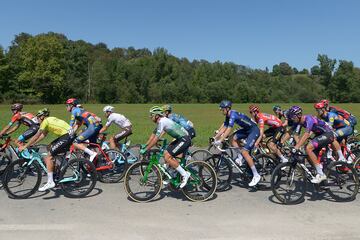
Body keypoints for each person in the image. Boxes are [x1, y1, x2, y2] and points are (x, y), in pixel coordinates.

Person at [19, 108, 73, 191]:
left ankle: (50, 182)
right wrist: (33, 143)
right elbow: (43, 135)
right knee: (49, 147)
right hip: (67, 134)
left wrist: (25, 146)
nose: (37, 120)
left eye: (38, 118)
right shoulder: (49, 120)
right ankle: (61, 166)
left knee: (48, 157)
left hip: (66, 136)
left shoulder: (45, 122)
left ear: (42, 117)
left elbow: (37, 135)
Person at [288, 106, 346, 184]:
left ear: (298, 115)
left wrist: (297, 147)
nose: (292, 119)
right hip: (320, 134)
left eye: (293, 117)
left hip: (327, 133)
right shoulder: (298, 122)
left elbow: (306, 134)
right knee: (307, 150)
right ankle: (320, 168)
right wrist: (282, 142)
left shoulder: (308, 119)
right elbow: (292, 132)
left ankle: (321, 174)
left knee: (309, 148)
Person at [140, 106, 191, 188]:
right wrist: (147, 145)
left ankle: (185, 175)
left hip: (184, 139)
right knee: (165, 153)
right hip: (181, 139)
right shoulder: (162, 121)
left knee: (167, 157)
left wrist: (146, 149)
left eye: (151, 115)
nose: (150, 117)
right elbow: (156, 136)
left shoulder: (162, 121)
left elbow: (156, 138)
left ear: (156, 116)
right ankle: (171, 175)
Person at [213, 100, 261, 187]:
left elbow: (228, 129)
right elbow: (224, 127)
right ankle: (240, 156)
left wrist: (220, 140)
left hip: (253, 130)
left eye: (222, 109)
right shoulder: (228, 115)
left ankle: (256, 175)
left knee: (245, 151)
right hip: (247, 130)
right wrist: (215, 138)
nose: (221, 110)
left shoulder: (232, 115)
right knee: (233, 138)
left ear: (227, 108)